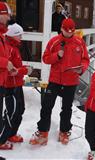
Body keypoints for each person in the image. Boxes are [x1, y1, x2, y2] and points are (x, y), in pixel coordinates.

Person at [29, 18, 89, 145]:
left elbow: (85, 59)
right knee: (47, 105)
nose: (69, 33)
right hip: (55, 80)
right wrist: (57, 56)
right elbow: (45, 58)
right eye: (67, 31)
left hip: (71, 80)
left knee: (67, 108)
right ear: (61, 29)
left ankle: (64, 131)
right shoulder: (54, 42)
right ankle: (43, 132)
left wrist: (81, 69)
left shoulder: (79, 42)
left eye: (72, 31)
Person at [3, 23, 33, 144]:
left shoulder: (15, 47)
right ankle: (2, 139)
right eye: (19, 35)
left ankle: (12, 134)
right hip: (10, 87)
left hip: (17, 85)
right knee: (11, 112)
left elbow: (16, 68)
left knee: (20, 110)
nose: (21, 37)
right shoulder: (8, 48)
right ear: (13, 35)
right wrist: (25, 70)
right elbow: (10, 71)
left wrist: (24, 68)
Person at [0, 2, 16, 150]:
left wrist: (8, 67)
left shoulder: (2, 35)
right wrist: (6, 63)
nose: (9, 17)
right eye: (7, 14)